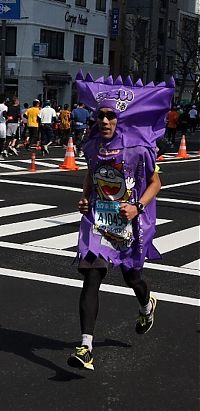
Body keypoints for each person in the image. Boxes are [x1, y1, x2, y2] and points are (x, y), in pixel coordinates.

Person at [67, 71, 175, 371]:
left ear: (119, 119)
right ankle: (86, 347)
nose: (104, 121)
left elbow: (156, 184)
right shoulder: (91, 145)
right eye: (100, 115)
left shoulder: (138, 148)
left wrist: (137, 208)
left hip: (129, 220)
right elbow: (90, 173)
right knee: (91, 275)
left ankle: (146, 304)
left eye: (110, 116)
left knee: (132, 277)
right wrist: (86, 197)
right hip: (99, 218)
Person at [0, 94, 8, 160]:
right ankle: (0, 154)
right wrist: (7, 118)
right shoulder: (4, 106)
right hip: (2, 124)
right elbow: (4, 113)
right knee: (2, 140)